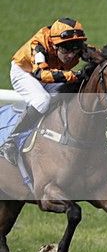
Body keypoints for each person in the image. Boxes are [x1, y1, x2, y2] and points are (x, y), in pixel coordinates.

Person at [0, 18, 90, 163]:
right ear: (54, 45)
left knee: (71, 94)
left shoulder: (71, 42)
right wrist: (75, 75)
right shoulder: (38, 46)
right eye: (65, 50)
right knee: (42, 100)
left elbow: (97, 54)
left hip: (49, 72)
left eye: (75, 49)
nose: (71, 55)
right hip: (26, 73)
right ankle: (10, 141)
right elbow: (41, 74)